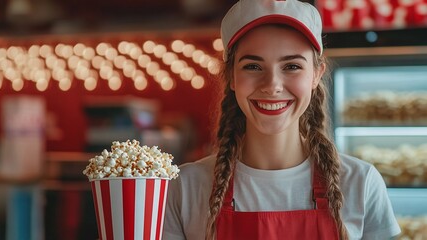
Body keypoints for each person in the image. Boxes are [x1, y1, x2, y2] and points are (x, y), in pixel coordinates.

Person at [163, 0, 401, 239]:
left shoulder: (361, 183)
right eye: (253, 66)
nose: (272, 86)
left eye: (292, 66)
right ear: (231, 77)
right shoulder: (184, 187)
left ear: (316, 75)